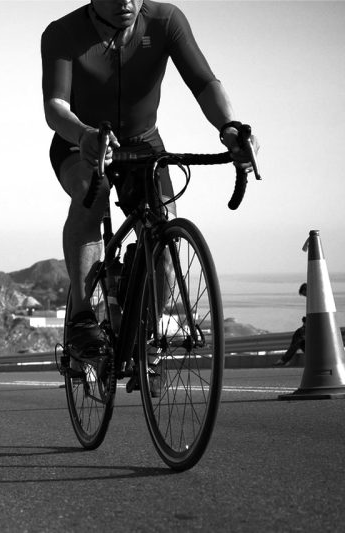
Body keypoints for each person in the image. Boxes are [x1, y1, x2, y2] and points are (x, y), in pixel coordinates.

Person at [41, 0, 258, 360]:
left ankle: (145, 335)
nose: (125, 2)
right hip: (81, 142)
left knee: (165, 229)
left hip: (144, 143)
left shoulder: (165, 20)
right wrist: (84, 135)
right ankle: (81, 317)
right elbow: (56, 107)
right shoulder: (63, 33)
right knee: (90, 194)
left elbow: (204, 83)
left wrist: (229, 127)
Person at [274, 283, 308, 366]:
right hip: (310, 325)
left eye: (304, 294)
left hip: (311, 326)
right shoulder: (314, 298)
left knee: (299, 337)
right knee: (300, 341)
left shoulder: (313, 298)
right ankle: (285, 359)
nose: (305, 296)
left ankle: (285, 359)